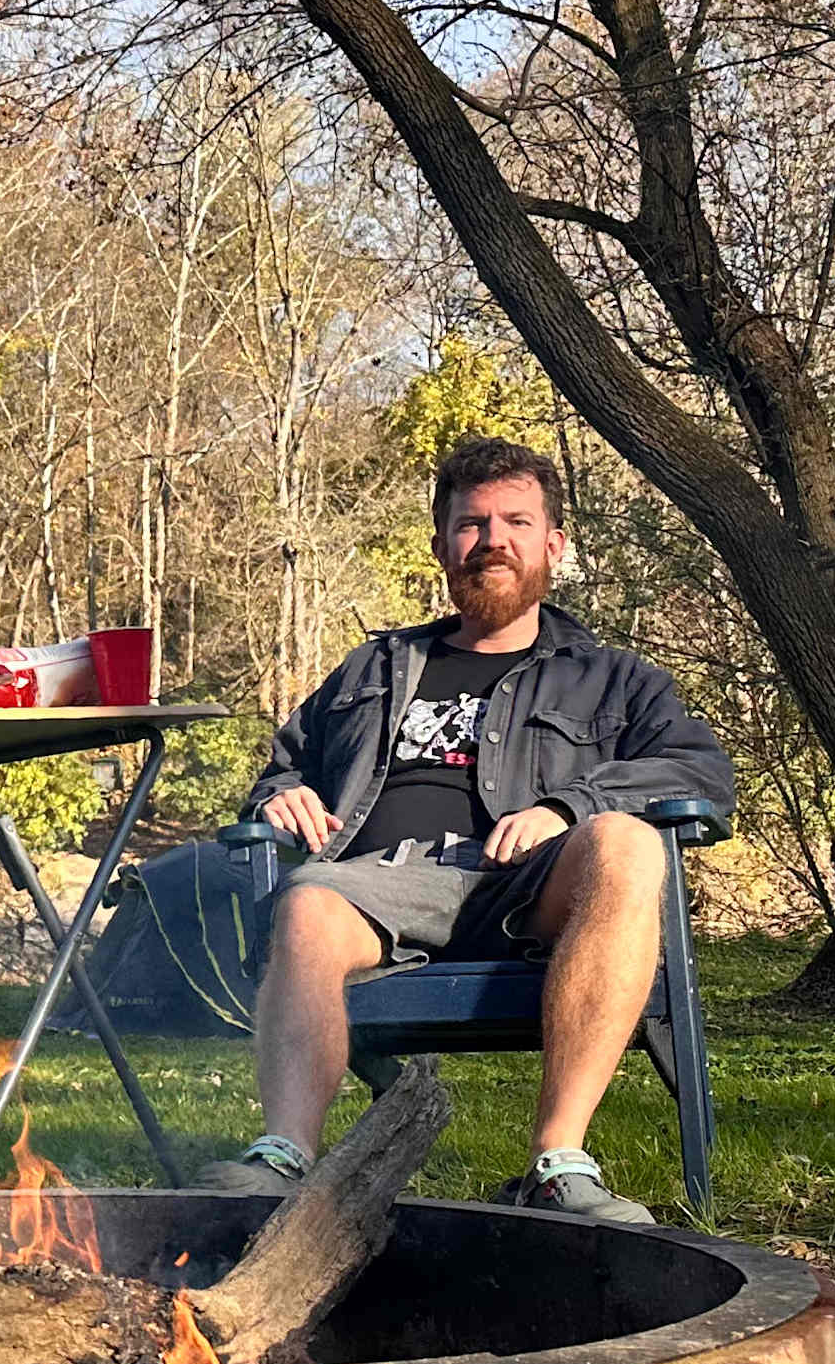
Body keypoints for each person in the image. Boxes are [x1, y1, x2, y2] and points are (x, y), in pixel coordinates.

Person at [203, 437, 733, 1225]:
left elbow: (701, 776)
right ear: (441, 546)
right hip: (377, 886)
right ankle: (284, 1156)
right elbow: (282, 770)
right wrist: (282, 796)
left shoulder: (615, 679)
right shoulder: (373, 668)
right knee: (307, 901)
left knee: (626, 842)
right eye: (471, 523)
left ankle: (558, 1163)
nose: (493, 540)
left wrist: (569, 807)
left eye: (517, 522)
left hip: (533, 886)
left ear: (553, 544)